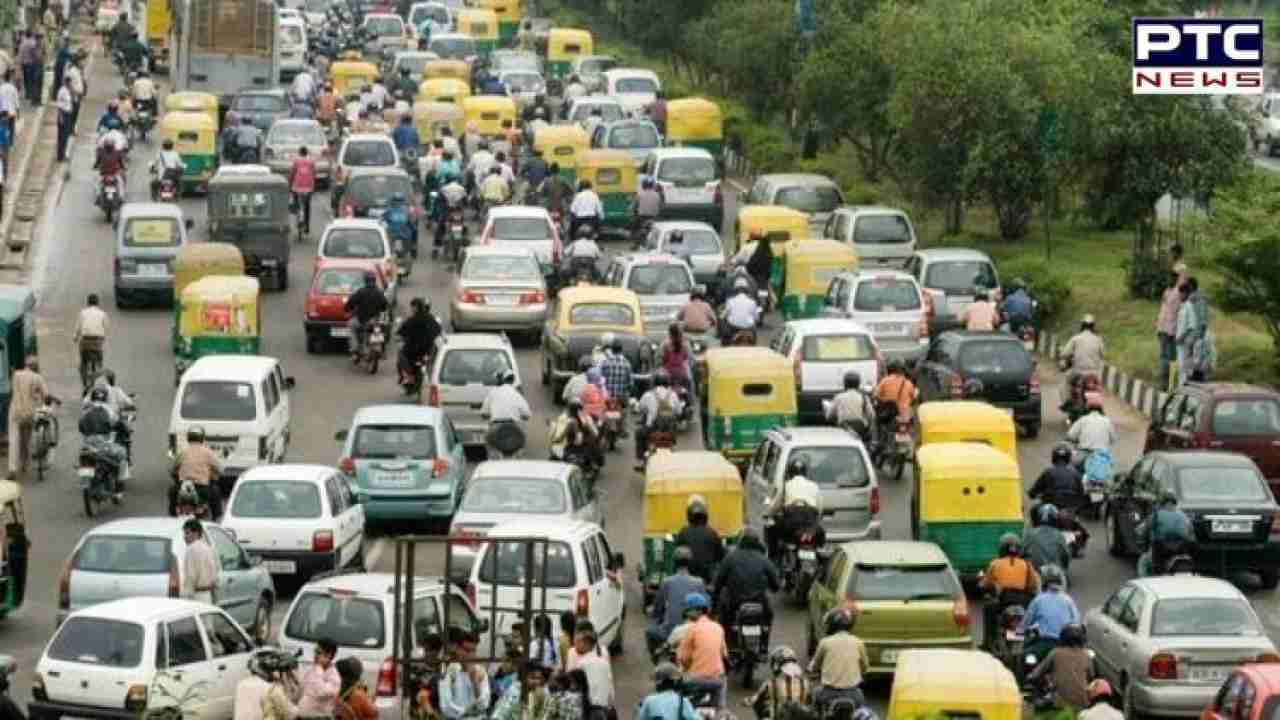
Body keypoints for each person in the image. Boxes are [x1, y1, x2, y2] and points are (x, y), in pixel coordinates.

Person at [712, 527, 780, 638]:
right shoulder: (763, 559)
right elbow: (776, 585)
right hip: (759, 601)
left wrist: (715, 601)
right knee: (768, 616)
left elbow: (718, 582)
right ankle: (764, 638)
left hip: (735, 603)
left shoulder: (730, 558)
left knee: (724, 617)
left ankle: (728, 639)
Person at [978, 533, 1040, 648]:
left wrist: (984, 585)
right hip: (1023, 602)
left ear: (1002, 548)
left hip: (1004, 602)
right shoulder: (1026, 564)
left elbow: (985, 584)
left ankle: (988, 642)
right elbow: (1033, 585)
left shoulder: (995, 563)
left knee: (988, 608)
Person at [1017, 564, 1080, 670]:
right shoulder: (1068, 600)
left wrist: (1019, 631)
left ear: (1044, 583)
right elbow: (1077, 622)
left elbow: (1026, 622)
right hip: (1066, 644)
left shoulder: (1038, 600)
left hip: (1046, 643)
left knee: (1023, 658)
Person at [646, 546, 707, 655]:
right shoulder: (699, 582)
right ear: (689, 563)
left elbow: (657, 608)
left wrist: (655, 614)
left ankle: (656, 657)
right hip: (696, 632)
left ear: (674, 563)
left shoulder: (667, 582)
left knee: (650, 630)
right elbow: (706, 608)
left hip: (670, 632)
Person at [765, 457, 824, 561]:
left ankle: (772, 559)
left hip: (791, 526)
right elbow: (820, 509)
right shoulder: (814, 486)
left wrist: (768, 514)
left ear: (790, 473)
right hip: (810, 526)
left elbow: (775, 506)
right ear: (805, 472)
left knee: (771, 529)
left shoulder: (786, 486)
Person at [809, 609, 868, 711]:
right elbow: (865, 667)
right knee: (861, 712)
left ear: (831, 625)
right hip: (853, 694)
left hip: (828, 694)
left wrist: (812, 670)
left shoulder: (825, 642)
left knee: (814, 696)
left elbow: (815, 666)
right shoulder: (859, 642)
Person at [675, 593, 726, 708]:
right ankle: (720, 709)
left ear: (697, 611)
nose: (686, 613)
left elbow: (683, 658)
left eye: (688, 610)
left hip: (696, 680)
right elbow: (724, 654)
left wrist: (688, 669)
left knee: (683, 703)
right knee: (719, 707)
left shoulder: (692, 629)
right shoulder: (718, 627)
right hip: (717, 680)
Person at [1027, 623, 1091, 713]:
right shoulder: (1086, 655)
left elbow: (1036, 674)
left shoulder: (1056, 653)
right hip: (1082, 704)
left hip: (1059, 704)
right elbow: (1091, 676)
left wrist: (1030, 677)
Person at [7, 356, 48, 479]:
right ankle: (25, 463)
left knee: (14, 440)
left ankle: (13, 469)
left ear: (26, 365)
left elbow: (12, 390)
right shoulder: (38, 378)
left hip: (16, 412)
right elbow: (46, 394)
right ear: (35, 367)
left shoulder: (16, 375)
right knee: (27, 438)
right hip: (30, 413)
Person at [1136, 491, 1195, 577]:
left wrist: (1140, 536)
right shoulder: (1184, 516)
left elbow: (1141, 530)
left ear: (1162, 503)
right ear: (1175, 503)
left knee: (1143, 561)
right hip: (1181, 552)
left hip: (1161, 552)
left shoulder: (1156, 515)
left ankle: (1144, 582)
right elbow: (1191, 535)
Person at [635, 369, 683, 470]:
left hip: (652, 429)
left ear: (654, 382)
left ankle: (641, 460)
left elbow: (639, 408)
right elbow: (679, 412)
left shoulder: (648, 394)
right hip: (670, 431)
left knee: (639, 433)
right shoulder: (673, 394)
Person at [172, 426, 225, 519]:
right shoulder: (208, 452)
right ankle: (216, 518)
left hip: (183, 486)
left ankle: (172, 517)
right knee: (216, 492)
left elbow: (174, 468)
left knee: (172, 492)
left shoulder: (183, 451)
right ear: (202, 438)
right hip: (202, 488)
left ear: (188, 438)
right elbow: (220, 469)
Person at [438, 628, 490, 720]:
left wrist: (475, 682)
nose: (471, 655)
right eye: (467, 650)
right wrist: (467, 712)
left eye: (474, 651)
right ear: (457, 649)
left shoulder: (480, 670)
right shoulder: (447, 670)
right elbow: (445, 706)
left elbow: (484, 704)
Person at [748, 647, 811, 720]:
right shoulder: (805, 682)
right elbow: (809, 704)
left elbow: (756, 701)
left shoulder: (771, 683)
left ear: (776, 665)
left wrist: (749, 700)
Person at [674, 496, 725, 584]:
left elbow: (677, 556)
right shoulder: (712, 533)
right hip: (707, 580)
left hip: (688, 579)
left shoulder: (683, 532)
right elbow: (720, 557)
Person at [480, 369, 532, 455]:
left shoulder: (492, 392)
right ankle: (518, 457)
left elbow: (483, 413)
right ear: (512, 381)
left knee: (489, 445)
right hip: (513, 428)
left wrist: (489, 416)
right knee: (521, 445)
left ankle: (492, 459)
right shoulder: (516, 393)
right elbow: (527, 414)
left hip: (495, 427)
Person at [1059, 314, 1105, 407]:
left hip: (1078, 372)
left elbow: (1064, 353)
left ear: (1082, 325)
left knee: (1065, 383)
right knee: (1098, 386)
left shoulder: (1076, 338)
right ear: (1093, 326)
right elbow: (1103, 354)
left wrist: (1065, 356)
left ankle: (1067, 403)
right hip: (1094, 373)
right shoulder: (1098, 339)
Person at [1175, 276, 1213, 385]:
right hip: (1190, 337)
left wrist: (1200, 337)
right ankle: (1191, 383)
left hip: (1196, 336)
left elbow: (1203, 320)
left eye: (1187, 285)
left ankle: (1196, 383)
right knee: (1190, 363)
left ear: (1191, 286)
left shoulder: (1200, 299)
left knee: (1196, 363)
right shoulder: (1190, 299)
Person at [397, 298, 442, 389]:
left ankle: (407, 377)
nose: (411, 309)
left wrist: (400, 336)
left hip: (413, 350)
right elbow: (438, 330)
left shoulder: (413, 319)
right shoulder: (430, 318)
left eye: (412, 307)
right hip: (428, 349)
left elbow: (402, 331)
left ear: (416, 307)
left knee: (401, 356)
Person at [569, 628, 613, 720]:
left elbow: (578, 689)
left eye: (579, 642)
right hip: (604, 709)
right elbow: (610, 686)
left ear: (587, 644)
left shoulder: (582, 664)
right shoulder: (604, 663)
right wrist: (610, 706)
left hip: (589, 710)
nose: (576, 645)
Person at [1155, 264, 1187, 391]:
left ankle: (1167, 384)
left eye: (1174, 277)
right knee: (1168, 358)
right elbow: (1163, 311)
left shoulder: (1176, 292)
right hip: (1167, 330)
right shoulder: (1170, 291)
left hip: (1170, 330)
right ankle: (1167, 384)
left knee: (1168, 359)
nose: (1170, 279)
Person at [1029, 443, 1087, 510]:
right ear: (1068, 457)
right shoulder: (1075, 473)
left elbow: (1034, 490)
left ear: (1054, 457)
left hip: (1051, 505)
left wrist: (1032, 494)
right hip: (1070, 508)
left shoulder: (1048, 471)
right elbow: (1081, 492)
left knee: (1034, 509)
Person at [344, 273, 389, 358]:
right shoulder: (379, 293)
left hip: (361, 320)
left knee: (351, 326)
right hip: (374, 320)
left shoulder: (361, 292)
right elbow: (385, 306)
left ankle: (354, 349)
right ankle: (382, 350)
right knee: (380, 329)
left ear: (365, 281)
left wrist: (347, 309)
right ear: (374, 281)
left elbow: (350, 303)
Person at [1022, 503, 1071, 578]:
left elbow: (1022, 552)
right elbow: (1066, 555)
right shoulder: (1058, 535)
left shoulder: (1030, 533)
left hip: (1035, 572)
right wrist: (1064, 568)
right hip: (1055, 572)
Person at [826, 370, 875, 442]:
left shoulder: (839, 397)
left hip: (843, 428)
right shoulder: (863, 397)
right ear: (858, 384)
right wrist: (869, 427)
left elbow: (829, 416)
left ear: (845, 384)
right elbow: (871, 415)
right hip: (860, 429)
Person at [73, 294, 109, 392]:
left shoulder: (82, 313)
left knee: (83, 364)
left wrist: (75, 338)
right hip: (97, 342)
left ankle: (85, 383)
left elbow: (78, 327)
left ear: (88, 303)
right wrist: (103, 338)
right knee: (99, 363)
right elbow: (106, 328)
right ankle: (99, 378)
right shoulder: (102, 314)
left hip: (85, 341)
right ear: (98, 303)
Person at [1067, 393, 1115, 463]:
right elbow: (1113, 439)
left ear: (1087, 406)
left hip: (1084, 454)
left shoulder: (1083, 420)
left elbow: (1071, 435)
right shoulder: (1107, 421)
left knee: (1073, 465)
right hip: (1102, 456)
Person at [299, 638, 342, 716]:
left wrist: (319, 667)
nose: (315, 655)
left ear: (328, 655)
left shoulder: (334, 678)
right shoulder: (312, 669)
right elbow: (302, 689)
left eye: (318, 652)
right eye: (315, 651)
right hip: (302, 714)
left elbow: (321, 692)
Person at [181, 518, 219, 603]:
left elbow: (191, 576)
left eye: (187, 533)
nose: (184, 536)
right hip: (207, 595)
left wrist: (186, 596)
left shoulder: (191, 549)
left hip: (196, 595)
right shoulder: (208, 548)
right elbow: (215, 574)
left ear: (196, 533)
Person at [873, 359, 916, 424]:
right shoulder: (908, 383)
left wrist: (883, 400)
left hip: (888, 415)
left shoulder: (885, 381)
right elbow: (914, 398)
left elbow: (875, 395)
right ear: (903, 371)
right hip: (904, 416)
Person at [599, 337, 634, 405]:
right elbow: (631, 384)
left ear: (611, 350)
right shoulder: (627, 363)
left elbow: (600, 381)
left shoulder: (605, 363)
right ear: (621, 350)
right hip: (621, 402)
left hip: (607, 401)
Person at [630, 176, 662, 245]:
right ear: (652, 185)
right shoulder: (657, 195)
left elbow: (634, 206)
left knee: (634, 228)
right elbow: (660, 206)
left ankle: (635, 242)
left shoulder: (639, 194)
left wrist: (632, 212)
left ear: (644, 185)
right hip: (653, 217)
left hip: (642, 217)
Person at [661, 323, 691, 390]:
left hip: (668, 374)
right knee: (689, 381)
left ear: (670, 333)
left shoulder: (665, 344)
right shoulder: (685, 344)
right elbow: (686, 357)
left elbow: (663, 360)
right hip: (682, 374)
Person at [744, 234, 774, 298]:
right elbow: (770, 266)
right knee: (764, 295)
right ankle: (765, 302)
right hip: (764, 278)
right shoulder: (769, 252)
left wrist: (750, 272)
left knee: (755, 295)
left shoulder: (758, 251)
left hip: (755, 278)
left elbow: (750, 264)